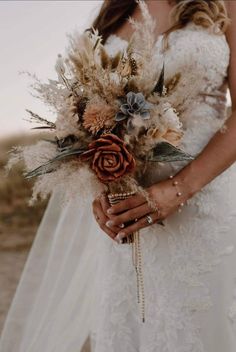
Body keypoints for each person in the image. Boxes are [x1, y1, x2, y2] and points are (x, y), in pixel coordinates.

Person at [1, 1, 236, 351]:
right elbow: (91, 122)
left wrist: (178, 189)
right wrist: (100, 189)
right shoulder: (114, 13)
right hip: (127, 219)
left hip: (203, 211)